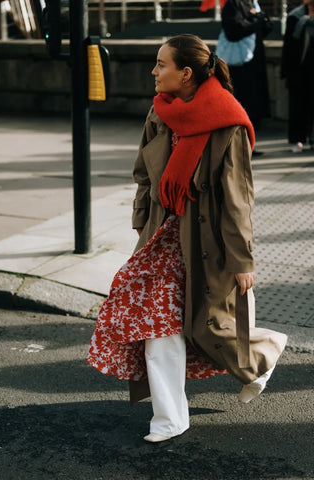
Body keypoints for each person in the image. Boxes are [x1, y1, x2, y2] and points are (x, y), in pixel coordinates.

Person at [87, 34, 287, 443]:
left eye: (161, 64)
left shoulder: (226, 122)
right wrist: (142, 221)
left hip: (205, 244)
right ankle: (169, 417)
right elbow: (144, 173)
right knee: (157, 327)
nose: (154, 71)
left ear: (186, 73)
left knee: (207, 329)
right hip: (162, 238)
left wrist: (242, 260)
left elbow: (237, 200)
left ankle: (262, 357)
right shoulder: (160, 112)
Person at [216, 0, 272, 155]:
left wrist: (262, 20)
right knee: (241, 105)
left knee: (252, 107)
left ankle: (248, 146)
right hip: (240, 68)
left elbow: (261, 29)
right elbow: (233, 31)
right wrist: (257, 19)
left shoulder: (253, 3)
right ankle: (238, 147)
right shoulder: (233, 4)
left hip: (254, 64)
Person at [281, 0, 314, 153]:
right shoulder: (295, 17)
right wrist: (286, 71)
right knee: (297, 105)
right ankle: (297, 139)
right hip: (298, 68)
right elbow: (288, 46)